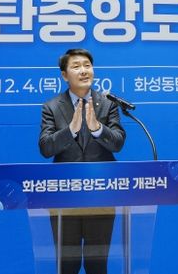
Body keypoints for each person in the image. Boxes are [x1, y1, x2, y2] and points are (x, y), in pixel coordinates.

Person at [39, 48, 126, 274]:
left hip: (102, 193)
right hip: (64, 196)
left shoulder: (108, 103)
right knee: (67, 264)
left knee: (97, 264)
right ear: (64, 75)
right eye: (76, 66)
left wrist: (97, 129)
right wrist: (70, 130)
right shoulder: (51, 106)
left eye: (87, 65)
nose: (84, 71)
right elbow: (46, 148)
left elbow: (117, 143)